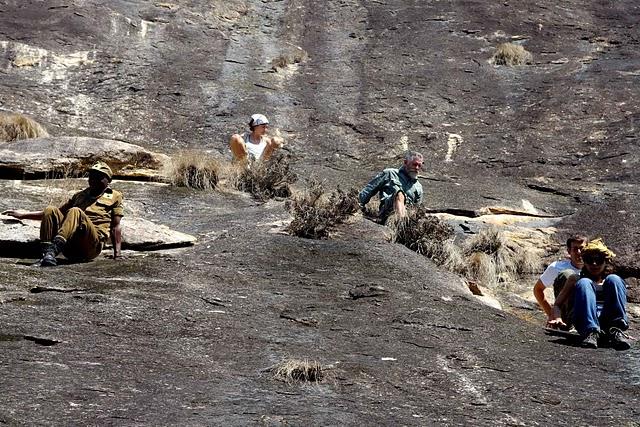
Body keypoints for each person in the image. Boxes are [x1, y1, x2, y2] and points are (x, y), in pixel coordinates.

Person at [2, 161, 124, 266]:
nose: (93, 179)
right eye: (91, 175)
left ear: (108, 180)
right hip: (71, 245)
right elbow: (57, 213)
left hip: (91, 246)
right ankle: (47, 254)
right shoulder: (80, 195)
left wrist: (117, 255)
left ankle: (54, 250)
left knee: (75, 211)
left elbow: (116, 226)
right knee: (50, 210)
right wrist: (23, 215)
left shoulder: (115, 196)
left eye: (99, 176)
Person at [550, 238, 631, 350]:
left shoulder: (611, 281)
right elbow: (557, 304)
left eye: (598, 260)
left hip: (606, 321)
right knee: (584, 282)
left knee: (615, 279)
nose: (594, 264)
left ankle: (615, 329)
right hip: (584, 321)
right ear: (584, 261)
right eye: (589, 259)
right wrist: (558, 318)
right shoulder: (576, 279)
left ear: (606, 261)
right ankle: (590, 332)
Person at [533, 235, 586, 326]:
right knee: (568, 275)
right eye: (575, 249)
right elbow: (538, 289)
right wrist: (551, 313)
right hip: (566, 315)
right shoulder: (557, 267)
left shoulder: (595, 267)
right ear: (569, 251)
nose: (579, 252)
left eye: (582, 248)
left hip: (589, 313)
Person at [358, 151, 424, 223]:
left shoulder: (418, 187)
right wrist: (357, 205)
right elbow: (370, 189)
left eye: (419, 165)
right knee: (399, 194)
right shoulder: (390, 173)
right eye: (414, 164)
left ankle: (405, 225)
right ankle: (401, 221)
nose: (417, 168)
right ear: (405, 162)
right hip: (387, 212)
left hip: (408, 216)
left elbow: (416, 208)